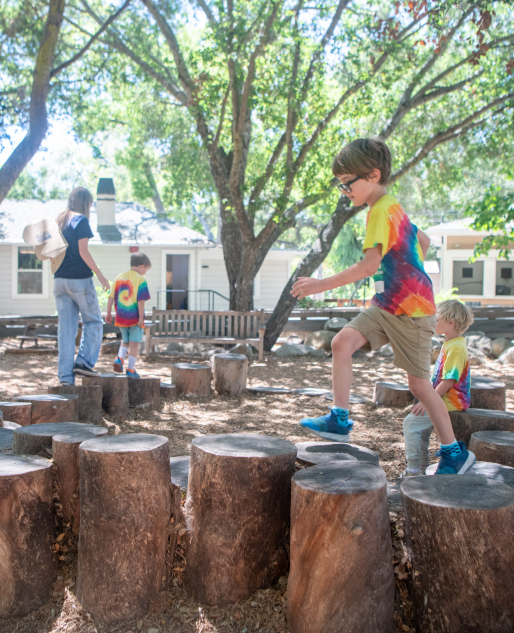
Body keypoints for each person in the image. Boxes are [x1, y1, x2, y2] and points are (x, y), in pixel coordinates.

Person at [291, 137, 475, 475]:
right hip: (388, 304)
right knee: (341, 342)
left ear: (373, 175)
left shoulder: (379, 211)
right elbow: (424, 240)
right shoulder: (393, 208)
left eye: (347, 183)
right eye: (340, 183)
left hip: (413, 312)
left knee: (419, 386)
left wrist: (318, 284)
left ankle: (454, 452)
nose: (343, 189)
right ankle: (340, 419)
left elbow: (366, 267)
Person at [401, 300, 474, 477]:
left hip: (450, 401)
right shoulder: (450, 343)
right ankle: (423, 466)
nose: (434, 322)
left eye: (437, 319)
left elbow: (449, 380)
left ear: (451, 323)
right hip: (440, 398)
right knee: (421, 430)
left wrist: (428, 401)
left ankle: (413, 470)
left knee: (410, 423)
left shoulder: (456, 347)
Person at [54, 187, 110, 386]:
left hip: (59, 280)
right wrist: (101, 277)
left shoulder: (60, 220)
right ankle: (84, 361)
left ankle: (66, 379)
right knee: (94, 321)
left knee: (66, 330)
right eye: (90, 203)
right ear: (85, 202)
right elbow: (84, 252)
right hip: (79, 280)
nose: (90, 207)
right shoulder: (81, 220)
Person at [105, 253, 151, 379]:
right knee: (134, 344)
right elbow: (141, 300)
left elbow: (111, 297)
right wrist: (141, 318)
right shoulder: (141, 280)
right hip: (135, 318)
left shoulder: (119, 277)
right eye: (146, 269)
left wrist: (108, 313)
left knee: (125, 341)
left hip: (121, 317)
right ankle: (130, 370)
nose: (145, 272)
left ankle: (119, 359)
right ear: (142, 266)